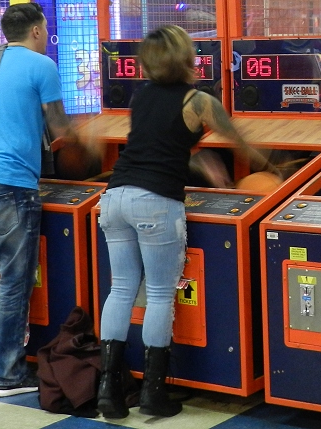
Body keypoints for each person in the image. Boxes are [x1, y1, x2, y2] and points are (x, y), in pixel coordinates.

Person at [96, 25, 273, 418]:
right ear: (186, 58)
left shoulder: (141, 98)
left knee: (121, 290)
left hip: (114, 198)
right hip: (156, 203)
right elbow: (240, 141)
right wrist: (270, 169)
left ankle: (108, 389)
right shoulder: (199, 101)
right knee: (159, 294)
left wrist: (200, 163)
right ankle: (153, 394)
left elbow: (159, 143)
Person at [0, 2, 90, 397]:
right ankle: (8, 376)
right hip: (10, 187)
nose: (46, 36)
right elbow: (60, 126)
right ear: (35, 31)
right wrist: (91, 135)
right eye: (45, 29)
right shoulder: (40, 64)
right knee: (13, 283)